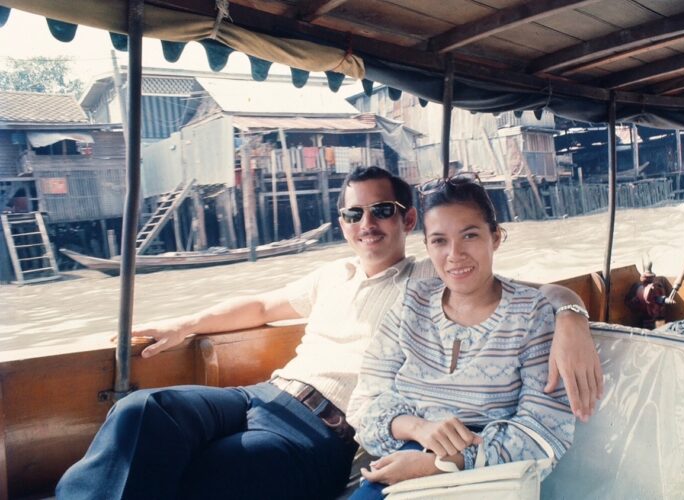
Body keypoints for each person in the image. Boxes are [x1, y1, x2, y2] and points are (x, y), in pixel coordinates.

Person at [56, 166, 599, 500]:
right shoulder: (331, 275)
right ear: (342, 223)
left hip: (326, 429)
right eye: (353, 213)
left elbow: (522, 291)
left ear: (408, 222)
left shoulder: (430, 274)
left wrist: (571, 313)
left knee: (217, 471)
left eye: (382, 211)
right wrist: (186, 324)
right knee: (144, 411)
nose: (367, 223)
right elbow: (260, 305)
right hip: (264, 394)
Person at [347, 174, 574, 498]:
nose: (455, 254)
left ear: (495, 237)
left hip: (489, 469)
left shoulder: (530, 313)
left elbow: (545, 430)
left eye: (469, 235)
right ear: (427, 246)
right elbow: (364, 404)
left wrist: (443, 463)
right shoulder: (412, 301)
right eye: (439, 241)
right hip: (406, 454)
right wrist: (418, 429)